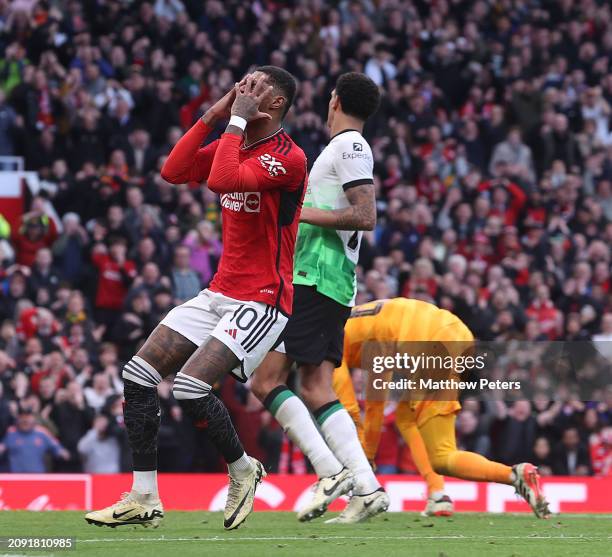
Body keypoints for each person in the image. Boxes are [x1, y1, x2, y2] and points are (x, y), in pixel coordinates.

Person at [86, 67, 306, 530]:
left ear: (276, 104)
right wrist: (218, 111)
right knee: (138, 376)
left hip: (263, 299)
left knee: (189, 387)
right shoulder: (238, 140)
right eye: (240, 82)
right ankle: (144, 496)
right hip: (219, 292)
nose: (243, 90)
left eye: (254, 86)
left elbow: (221, 180)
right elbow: (174, 170)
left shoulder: (289, 157)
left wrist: (236, 121)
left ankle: (243, 470)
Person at [251, 72, 387, 524]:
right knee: (315, 387)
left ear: (334, 101)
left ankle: (329, 474)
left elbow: (365, 215)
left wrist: (294, 214)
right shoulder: (346, 148)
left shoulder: (350, 146)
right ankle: (367, 489)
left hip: (315, 277)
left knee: (265, 380)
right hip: (329, 282)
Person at [332, 297, 551, 519]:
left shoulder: (331, 342)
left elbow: (353, 409)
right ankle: (437, 495)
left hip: (429, 347)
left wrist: (364, 458)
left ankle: (515, 475)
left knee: (442, 457)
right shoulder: (355, 319)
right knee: (405, 416)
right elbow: (376, 398)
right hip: (457, 331)